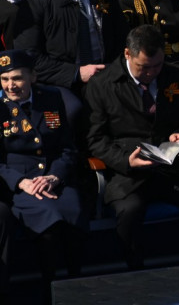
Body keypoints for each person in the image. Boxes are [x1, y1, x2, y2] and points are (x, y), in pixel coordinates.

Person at [85, 25, 179, 269]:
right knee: (130, 211)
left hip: (171, 168)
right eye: (144, 67)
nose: (151, 73)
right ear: (128, 55)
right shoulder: (103, 84)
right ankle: (136, 272)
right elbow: (95, 139)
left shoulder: (174, 76)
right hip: (130, 172)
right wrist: (125, 161)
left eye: (157, 66)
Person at [0, 50, 86, 292]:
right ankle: (51, 291)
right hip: (19, 183)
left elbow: (66, 147)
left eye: (17, 78)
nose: (10, 86)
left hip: (52, 176)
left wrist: (55, 175)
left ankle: (77, 286)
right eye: (4, 79)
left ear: (33, 77)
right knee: (49, 227)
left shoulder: (50, 98)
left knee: (74, 219)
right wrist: (21, 183)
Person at [13, 0, 128, 99]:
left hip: (107, 74)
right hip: (61, 82)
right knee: (71, 112)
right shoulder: (37, 1)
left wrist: (115, 68)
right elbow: (28, 56)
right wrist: (76, 73)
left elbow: (122, 37)